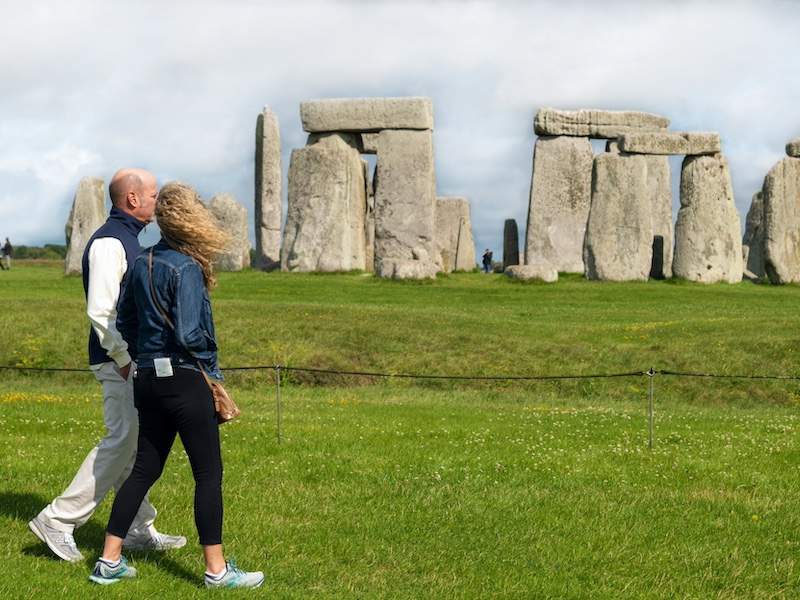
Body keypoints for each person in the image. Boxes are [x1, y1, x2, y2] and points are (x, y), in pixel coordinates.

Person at [89, 182, 263, 588]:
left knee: (144, 470)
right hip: (184, 379)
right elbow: (189, 332)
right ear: (192, 219)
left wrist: (141, 358)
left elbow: (125, 322)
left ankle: (108, 560)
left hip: (146, 379)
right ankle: (217, 572)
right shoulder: (185, 266)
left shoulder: (141, 261)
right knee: (207, 473)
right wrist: (211, 364)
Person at [29, 169, 185, 562]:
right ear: (132, 199)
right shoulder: (109, 243)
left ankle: (136, 528)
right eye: (152, 195)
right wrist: (122, 357)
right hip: (119, 361)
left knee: (134, 445)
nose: (157, 200)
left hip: (131, 360)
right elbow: (101, 311)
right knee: (121, 441)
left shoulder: (130, 238)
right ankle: (59, 519)